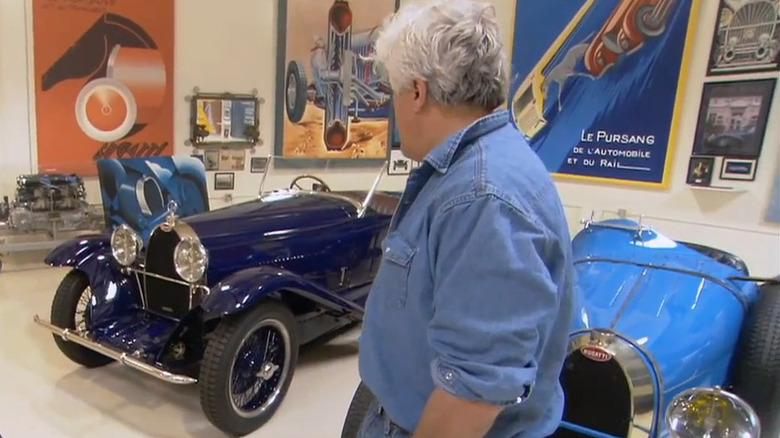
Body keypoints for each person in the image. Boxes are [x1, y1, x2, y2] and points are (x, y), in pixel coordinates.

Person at [344, 0, 576, 437]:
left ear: (417, 91)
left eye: (394, 91)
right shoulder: (466, 172)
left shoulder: (481, 197)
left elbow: (472, 393)